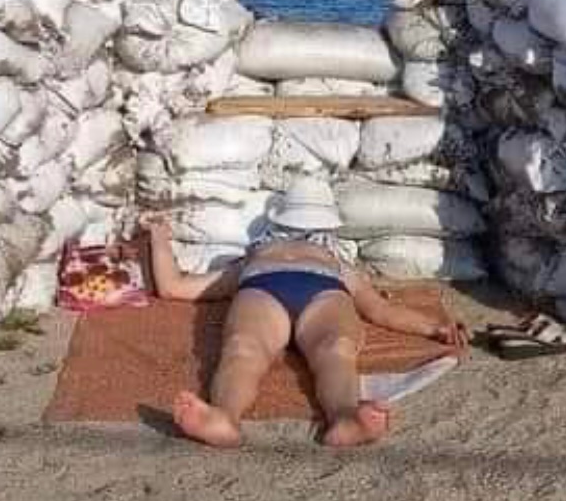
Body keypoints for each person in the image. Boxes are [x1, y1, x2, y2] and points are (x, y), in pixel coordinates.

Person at [144, 175, 467, 448]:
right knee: (243, 348)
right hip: (262, 288)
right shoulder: (247, 260)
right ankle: (224, 417)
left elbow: (380, 309)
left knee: (336, 350)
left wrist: (432, 328)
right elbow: (174, 287)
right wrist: (159, 240)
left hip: (322, 290)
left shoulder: (341, 264)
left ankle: (344, 419)